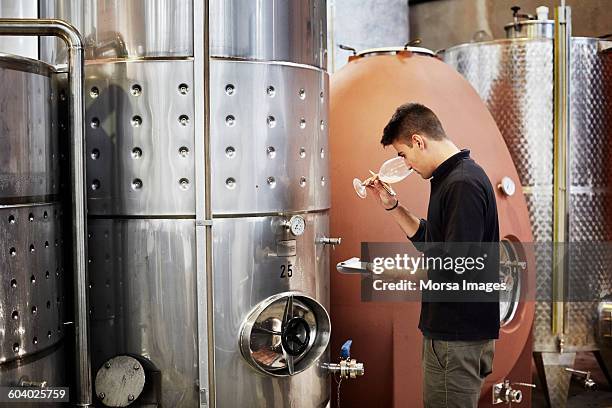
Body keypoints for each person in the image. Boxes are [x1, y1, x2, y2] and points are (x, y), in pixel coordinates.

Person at [365, 102, 500, 408]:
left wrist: (388, 271)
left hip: (456, 338)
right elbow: (436, 245)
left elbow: (454, 268)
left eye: (403, 155)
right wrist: (392, 206)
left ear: (418, 141)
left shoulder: (462, 184)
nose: (407, 165)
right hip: (455, 336)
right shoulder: (451, 179)